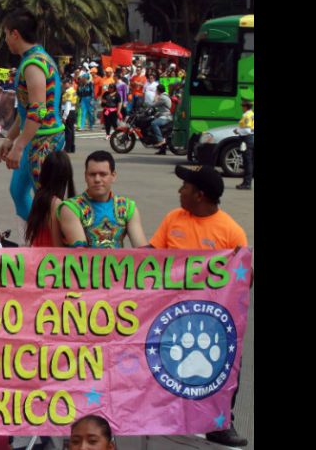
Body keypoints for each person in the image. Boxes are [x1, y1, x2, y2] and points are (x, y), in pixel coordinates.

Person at [148, 164, 248, 447]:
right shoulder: (173, 219)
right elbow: (150, 258)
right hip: (169, 313)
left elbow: (243, 282)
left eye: (186, 187)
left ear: (200, 195)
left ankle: (221, 424)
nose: (180, 190)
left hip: (209, 318)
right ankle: (160, 417)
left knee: (225, 368)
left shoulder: (231, 232)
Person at [0, 9, 65, 223]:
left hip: (45, 138)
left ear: (15, 34)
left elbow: (38, 110)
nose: (5, 39)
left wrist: (19, 145)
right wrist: (11, 137)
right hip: (36, 137)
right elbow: (26, 110)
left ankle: (53, 243)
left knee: (46, 199)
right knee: (18, 191)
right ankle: (37, 235)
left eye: (6, 34)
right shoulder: (34, 60)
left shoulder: (34, 64)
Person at [58, 150, 147, 248]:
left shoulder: (127, 207)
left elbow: (142, 250)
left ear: (113, 176)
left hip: (118, 263)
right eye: (92, 174)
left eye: (103, 174)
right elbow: (80, 254)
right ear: (85, 177)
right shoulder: (71, 208)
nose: (97, 179)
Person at [25, 151, 75, 247]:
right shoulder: (56, 203)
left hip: (37, 251)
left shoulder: (40, 196)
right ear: (66, 175)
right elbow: (56, 244)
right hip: (49, 256)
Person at [235, 100, 254, 190]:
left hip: (246, 139)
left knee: (247, 162)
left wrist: (237, 131)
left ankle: (247, 184)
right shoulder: (252, 114)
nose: (242, 107)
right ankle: (246, 182)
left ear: (245, 106)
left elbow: (247, 130)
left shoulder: (246, 115)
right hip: (250, 139)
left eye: (242, 106)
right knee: (249, 162)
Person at [150, 84, 172, 149]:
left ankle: (160, 140)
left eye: (156, 90)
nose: (156, 91)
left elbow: (154, 104)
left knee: (154, 123)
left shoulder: (163, 97)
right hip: (163, 115)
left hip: (166, 117)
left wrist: (147, 105)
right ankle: (162, 149)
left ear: (159, 90)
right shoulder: (164, 96)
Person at [61, 78, 77, 153]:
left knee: (68, 132)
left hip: (68, 112)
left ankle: (67, 148)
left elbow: (68, 105)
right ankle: (72, 147)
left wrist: (64, 116)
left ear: (69, 83)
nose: (63, 85)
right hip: (72, 112)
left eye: (65, 83)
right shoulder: (72, 90)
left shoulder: (69, 92)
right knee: (71, 131)